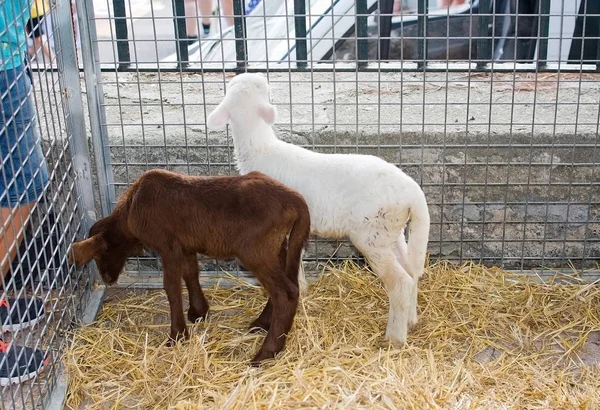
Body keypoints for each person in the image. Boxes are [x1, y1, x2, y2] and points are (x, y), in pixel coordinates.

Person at [0, 0, 49, 386]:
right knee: (23, 183)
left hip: (9, 49)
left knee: (19, 183)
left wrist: (32, 30)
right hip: (3, 60)